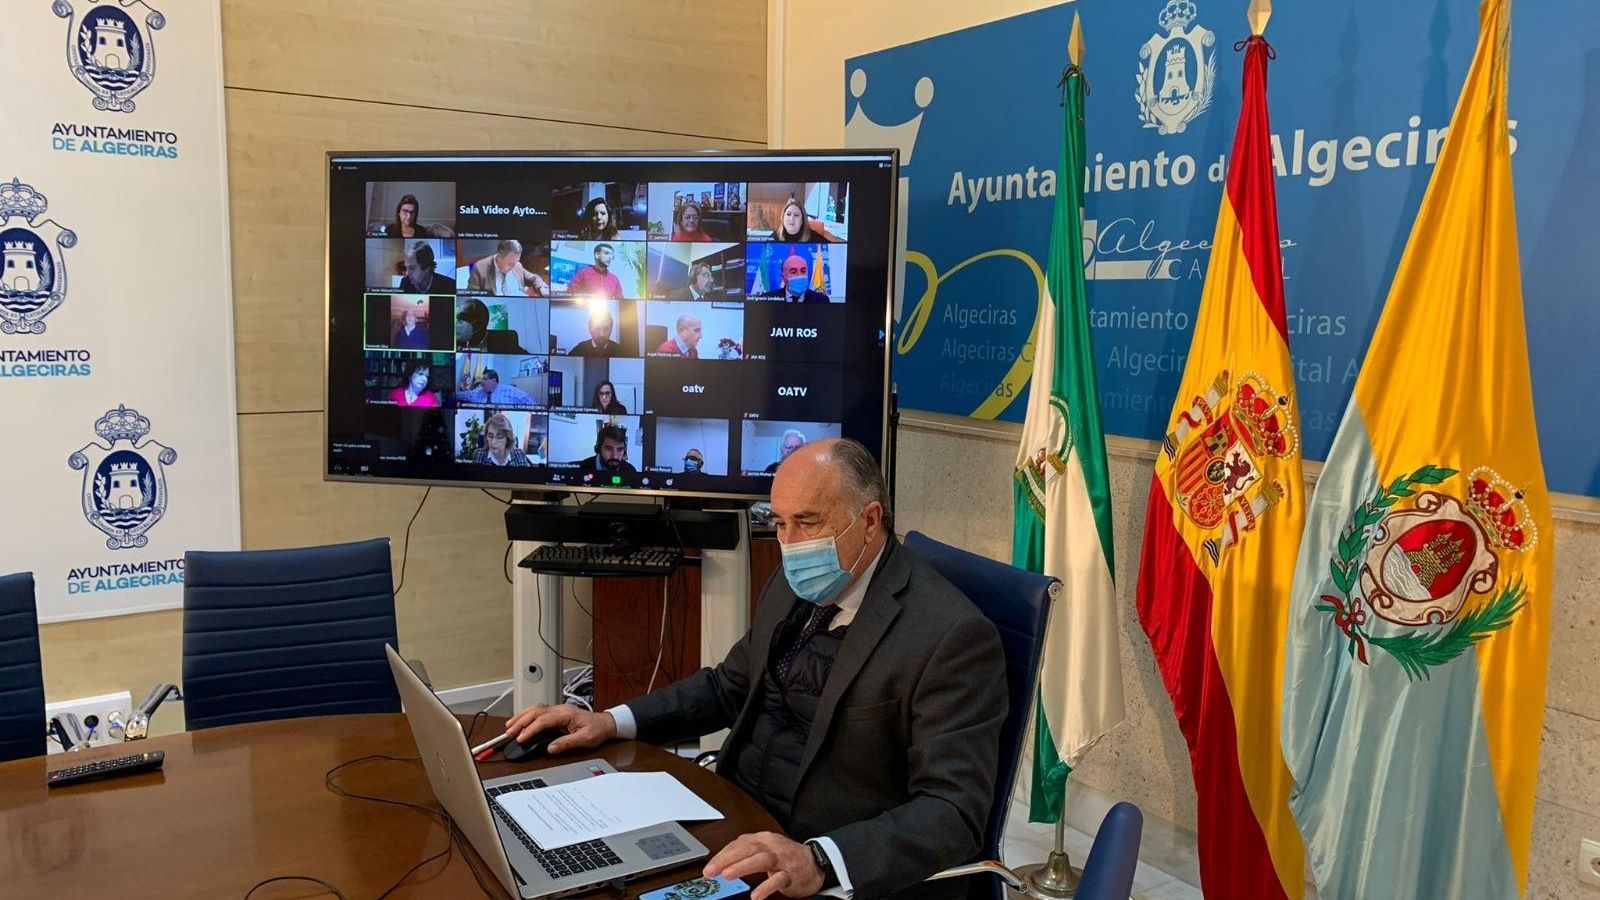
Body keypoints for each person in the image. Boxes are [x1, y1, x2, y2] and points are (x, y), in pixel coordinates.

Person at [505, 439, 1005, 900]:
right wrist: (611, 720)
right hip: (730, 823)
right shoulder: (800, 583)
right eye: (780, 521)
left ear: (870, 520)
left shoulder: (951, 637)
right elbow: (728, 687)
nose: (790, 543)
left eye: (807, 523)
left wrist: (820, 859)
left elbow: (953, 811)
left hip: (816, 865)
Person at [468, 239, 549, 297]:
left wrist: (542, 288)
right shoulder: (480, 269)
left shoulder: (517, 265)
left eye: (516, 262)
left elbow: (534, 278)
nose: (513, 267)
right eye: (510, 264)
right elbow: (471, 296)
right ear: (499, 257)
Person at [760, 254, 828, 303]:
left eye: (803, 271)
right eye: (793, 272)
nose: (799, 275)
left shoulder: (821, 300)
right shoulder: (766, 299)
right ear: (783, 277)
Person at [773, 197, 841, 243]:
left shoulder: (813, 236)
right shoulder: (774, 237)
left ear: (802, 220)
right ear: (783, 217)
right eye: (788, 214)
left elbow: (832, 249)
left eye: (796, 215)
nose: (791, 219)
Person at [457, 368, 537, 407]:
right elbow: (459, 395)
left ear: (494, 380)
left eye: (485, 379)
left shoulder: (510, 391)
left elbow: (532, 403)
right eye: (482, 379)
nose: (482, 381)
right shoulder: (478, 392)